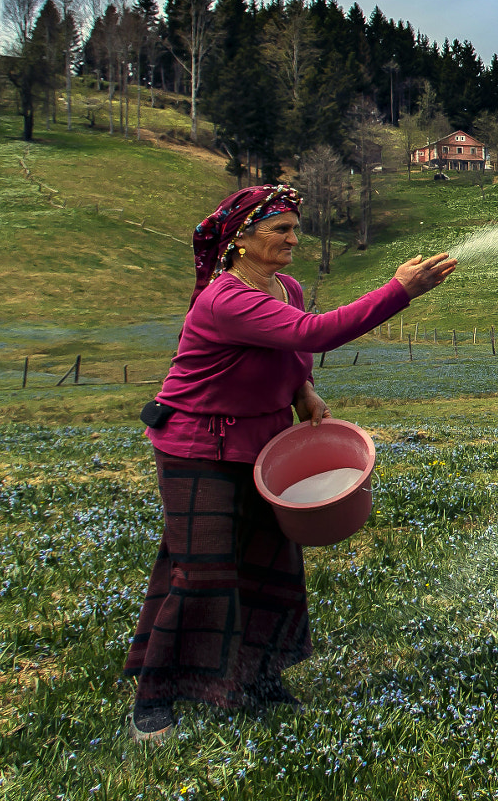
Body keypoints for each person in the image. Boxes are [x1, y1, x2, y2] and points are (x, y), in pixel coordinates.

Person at [123, 183, 455, 741]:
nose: (294, 239)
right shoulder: (226, 299)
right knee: (202, 571)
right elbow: (313, 333)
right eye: (281, 229)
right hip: (198, 444)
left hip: (264, 439)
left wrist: (303, 391)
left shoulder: (287, 287)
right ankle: (156, 696)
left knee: (269, 562)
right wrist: (398, 291)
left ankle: (258, 679)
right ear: (242, 239)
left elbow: (291, 350)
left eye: (295, 229)